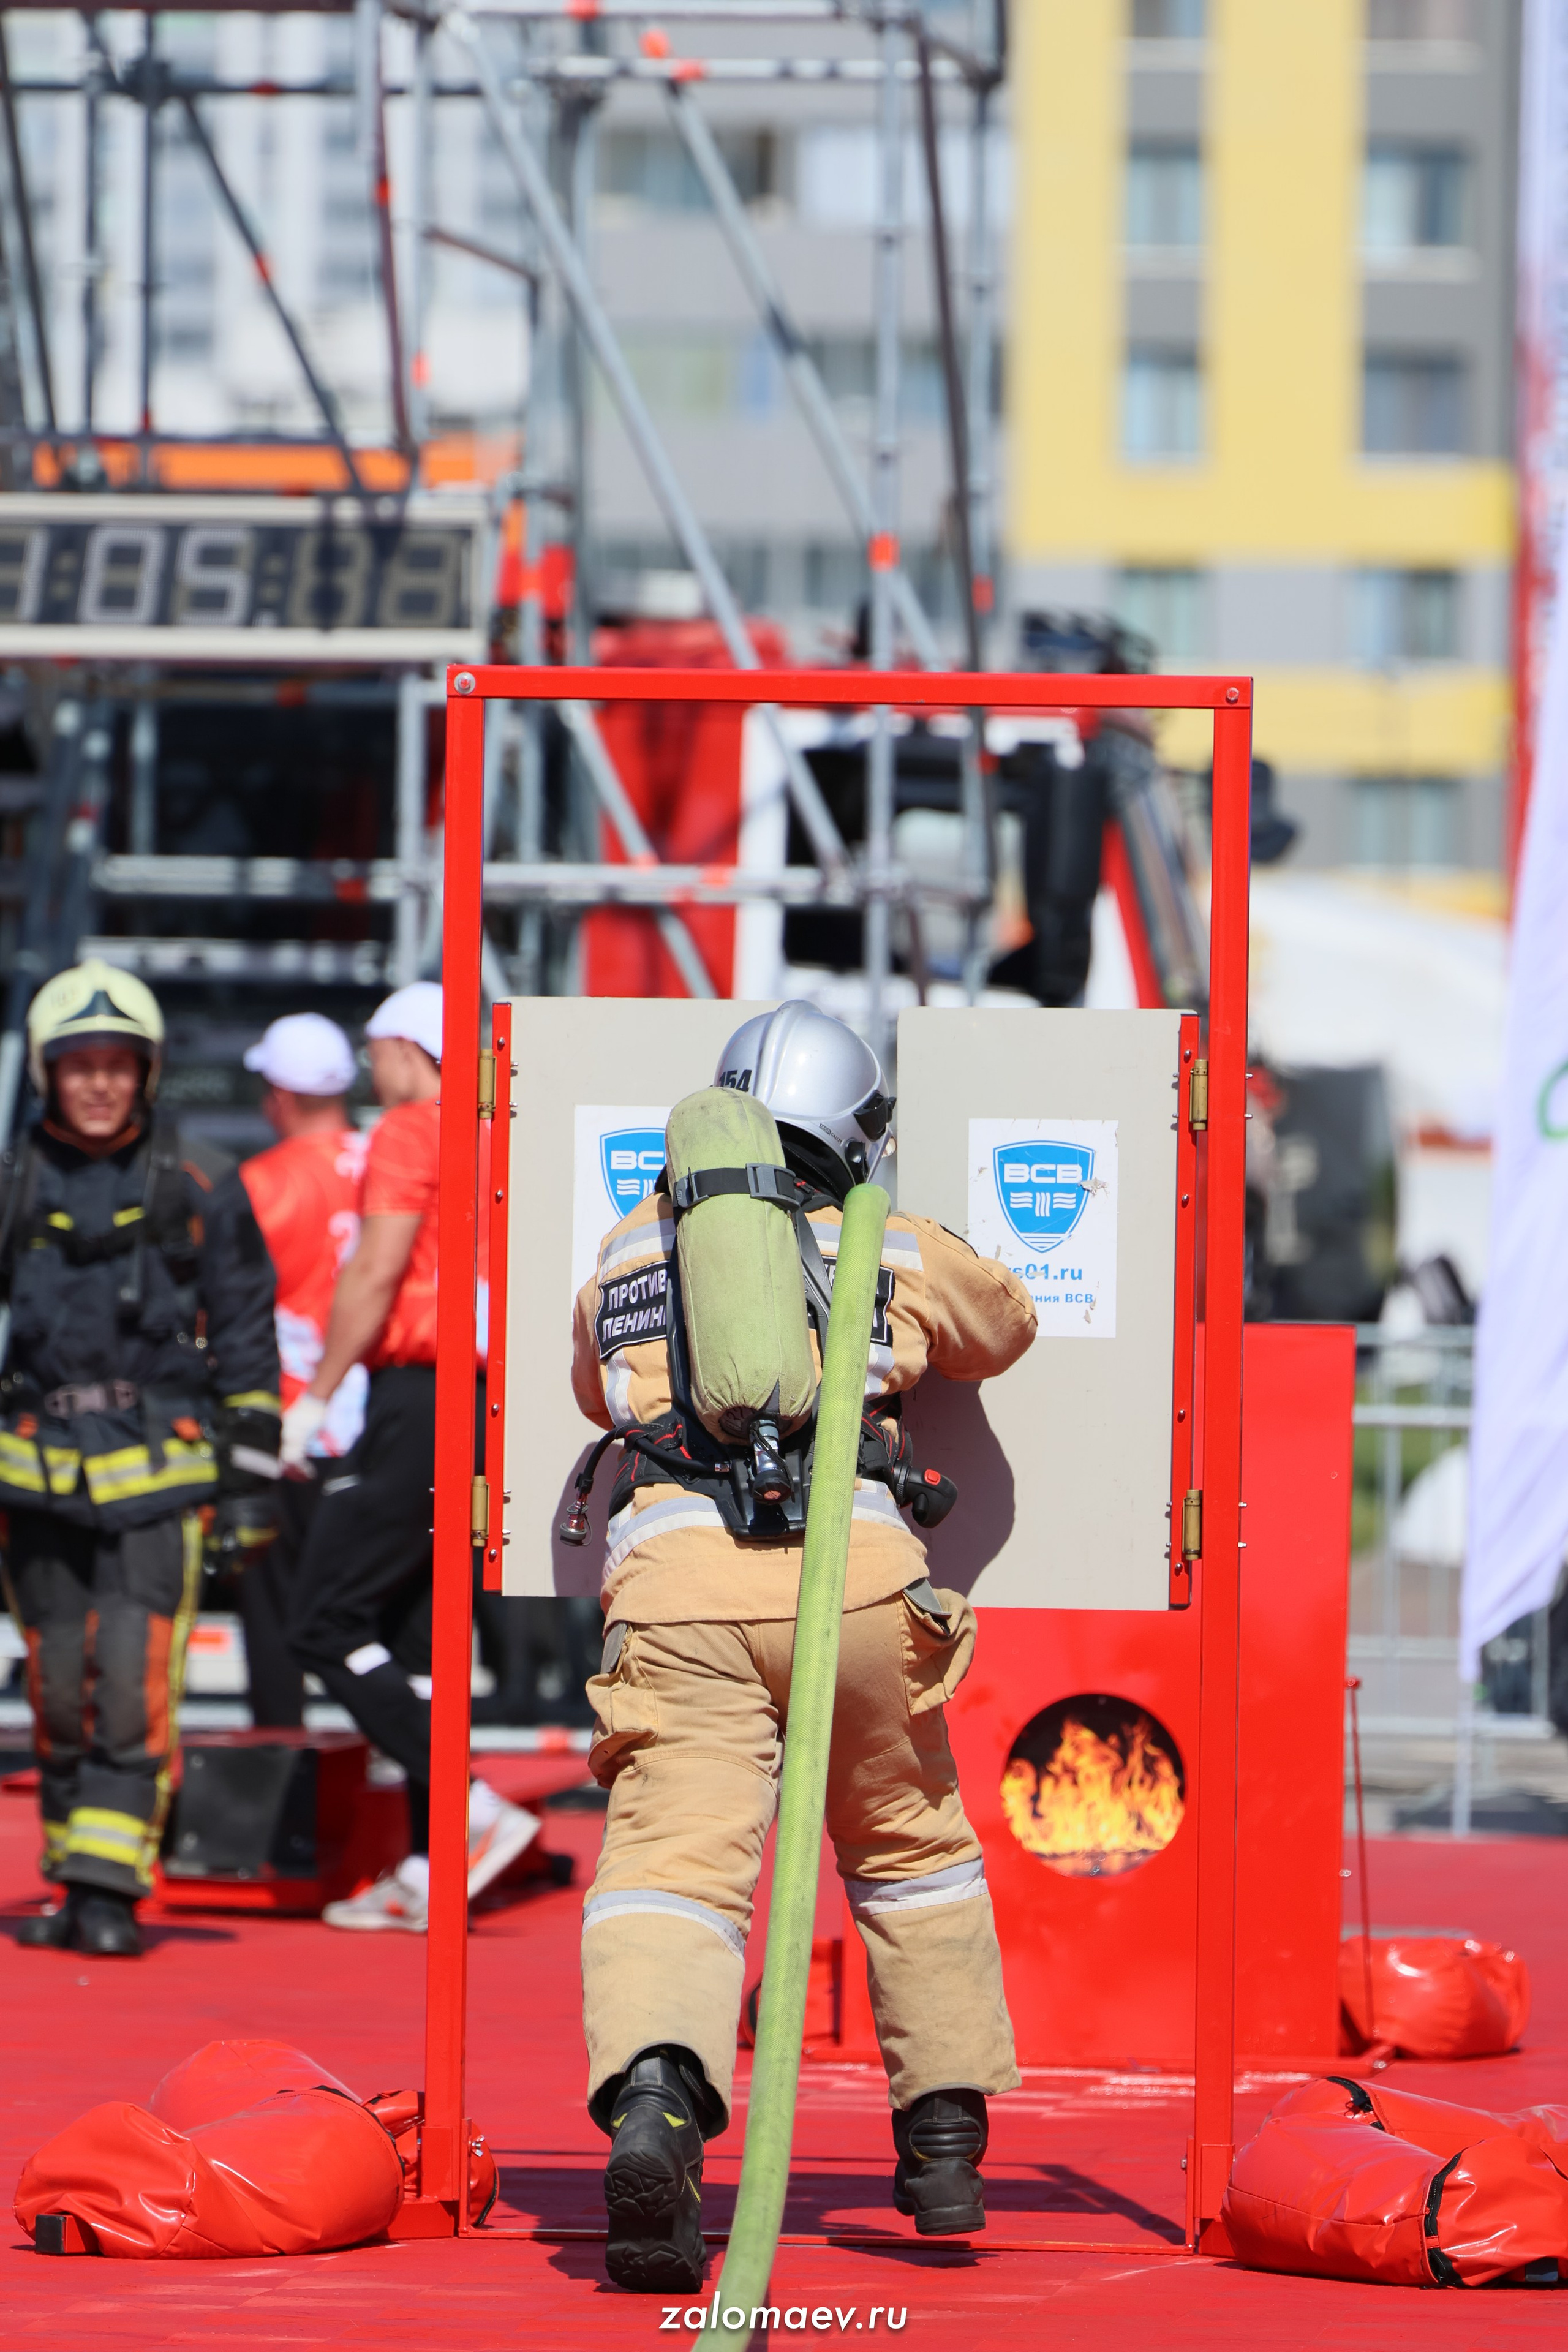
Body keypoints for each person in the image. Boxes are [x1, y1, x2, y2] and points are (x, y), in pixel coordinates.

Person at [570, 1000, 1037, 2292]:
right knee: (908, 1848)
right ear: (855, 1130)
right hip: (856, 1586)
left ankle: (657, 2103)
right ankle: (941, 2138)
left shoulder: (626, 1248)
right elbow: (1002, 1326)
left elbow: (585, 1389)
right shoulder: (884, 1247)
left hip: (671, 1597)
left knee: (672, 1868)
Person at [2, 960, 281, 1958]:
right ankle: (71, 1878)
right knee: (57, 1681)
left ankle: (111, 1890)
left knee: (132, 1684)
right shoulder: (12, 1183)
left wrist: (250, 1485)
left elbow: (247, 1335)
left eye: (119, 1066)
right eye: (80, 1067)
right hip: (33, 1479)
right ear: (48, 1074)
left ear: (148, 1073)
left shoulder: (201, 1182)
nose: (100, 1085)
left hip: (159, 1485)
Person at [284, 982, 538, 1929]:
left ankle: (465, 1807)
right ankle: (437, 1864)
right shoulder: (494, 1129)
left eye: (378, 1045)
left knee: (324, 1615)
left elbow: (378, 1265)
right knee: (422, 1638)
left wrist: (314, 1395)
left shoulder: (410, 1127)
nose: (369, 1063)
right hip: (481, 1396)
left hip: (423, 1391)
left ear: (407, 1048)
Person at [236, 1012, 369, 1728]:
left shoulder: (260, 1183)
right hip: (376, 1418)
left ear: (279, 1095)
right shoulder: (389, 1160)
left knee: (276, 1612)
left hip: (286, 1422)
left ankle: (280, 1776)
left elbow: (229, 1306)